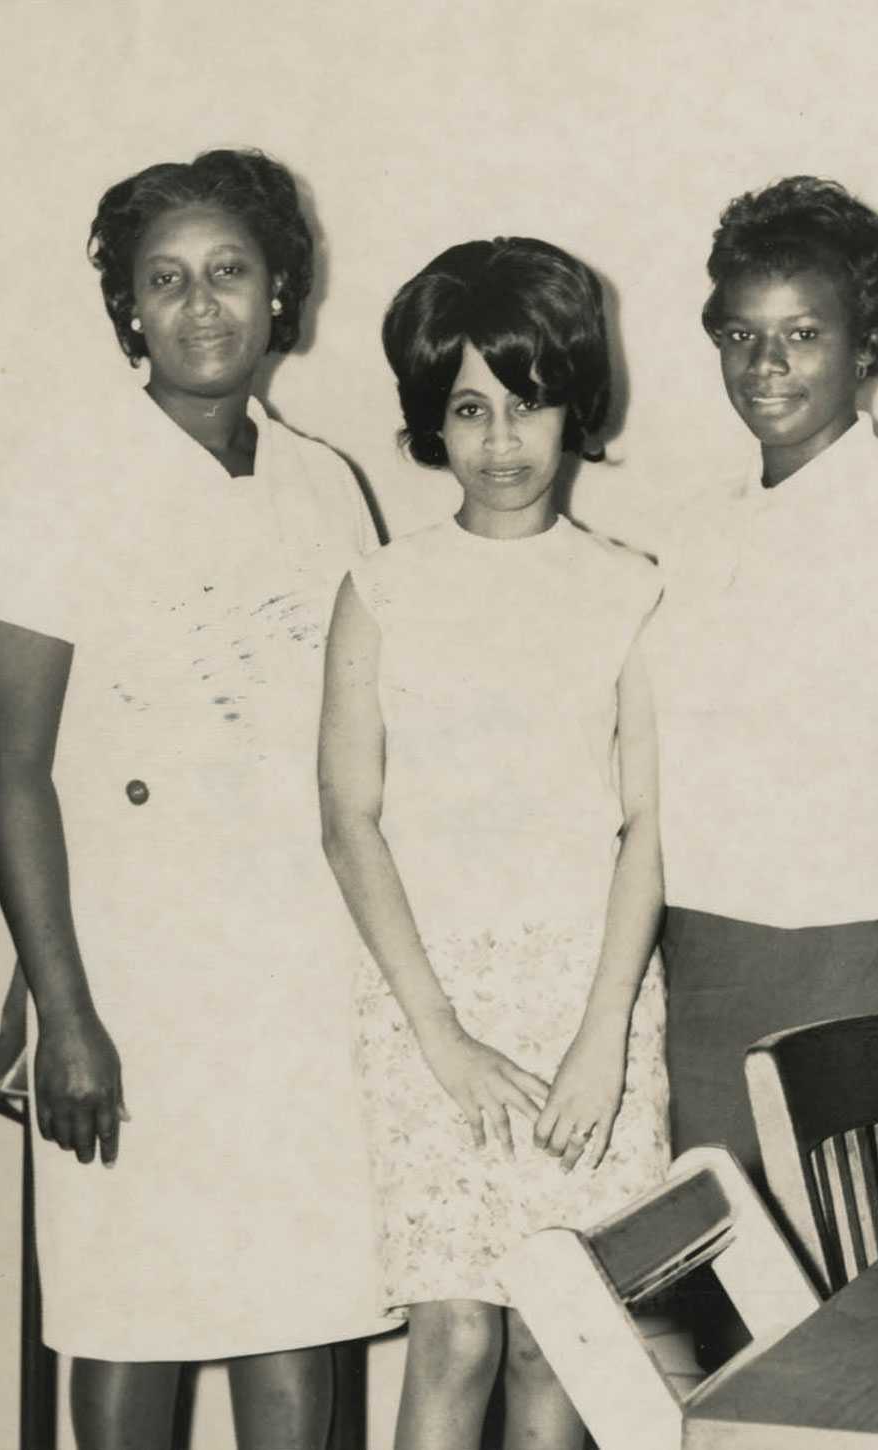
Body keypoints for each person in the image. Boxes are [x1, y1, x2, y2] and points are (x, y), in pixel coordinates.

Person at [0, 148, 387, 1449]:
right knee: (129, 1310)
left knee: (293, 1310)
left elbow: (365, 755)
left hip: (300, 978)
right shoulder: (62, 477)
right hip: (132, 977)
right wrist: (67, 1007)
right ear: (129, 309)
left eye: (229, 273)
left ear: (282, 294)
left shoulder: (329, 485)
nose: (201, 306)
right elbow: (12, 764)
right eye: (166, 281)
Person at [319, 237, 670, 1450]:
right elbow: (347, 815)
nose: (502, 440)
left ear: (574, 407)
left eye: (527, 404)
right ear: (431, 421)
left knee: (554, 1337)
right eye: (469, 409)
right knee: (456, 1330)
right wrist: (441, 1034)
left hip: (587, 1004)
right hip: (432, 1006)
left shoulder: (629, 590)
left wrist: (601, 1034)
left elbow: (646, 825)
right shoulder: (381, 587)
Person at [644, 176, 878, 1191]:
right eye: (740, 336)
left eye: (801, 335)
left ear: (863, 343)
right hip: (698, 963)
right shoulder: (688, 535)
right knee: (724, 1295)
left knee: (856, 1297)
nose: (765, 365)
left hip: (853, 963)